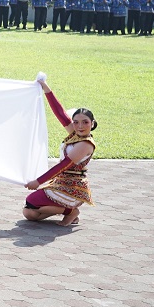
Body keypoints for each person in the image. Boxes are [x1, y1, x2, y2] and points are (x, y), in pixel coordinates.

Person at [23, 76, 95, 227]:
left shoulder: (85, 144)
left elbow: (63, 165)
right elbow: (60, 113)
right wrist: (46, 89)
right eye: (76, 122)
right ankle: (69, 212)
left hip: (72, 188)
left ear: (92, 124)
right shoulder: (75, 134)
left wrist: (38, 181)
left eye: (85, 122)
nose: (80, 126)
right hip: (60, 183)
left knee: (31, 201)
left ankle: (71, 212)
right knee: (29, 213)